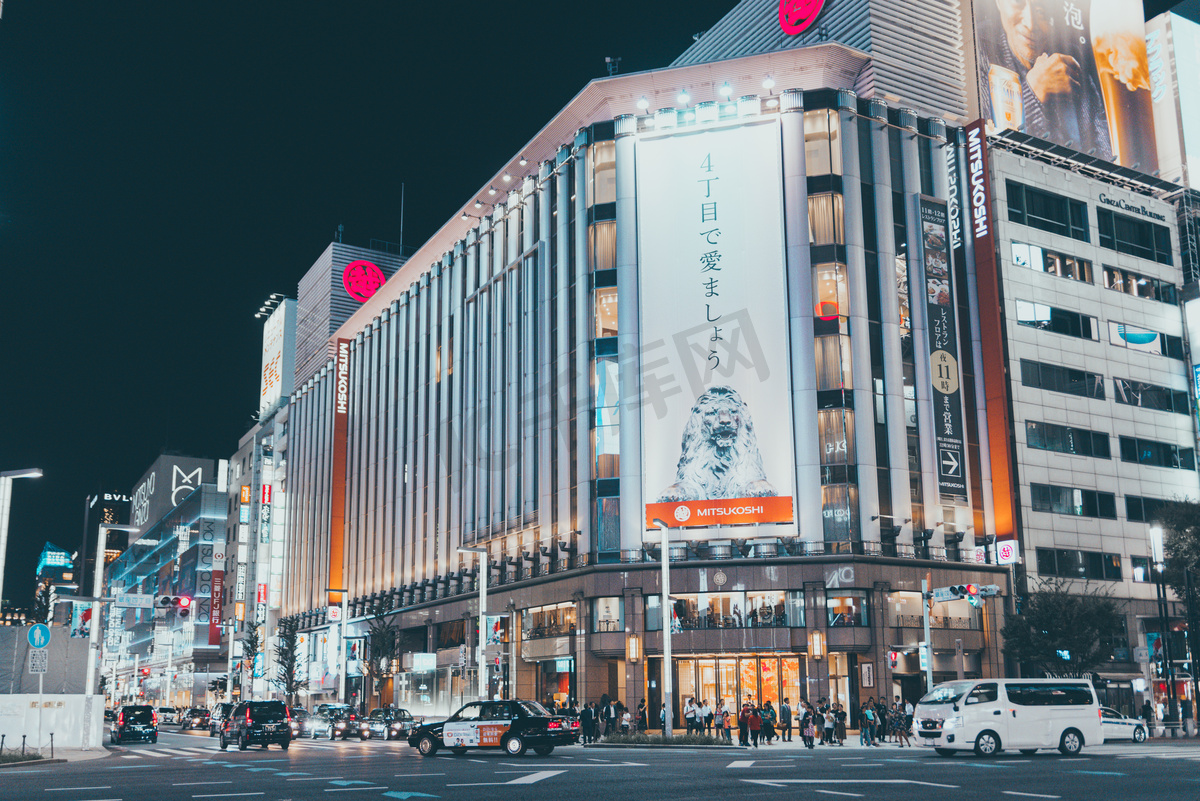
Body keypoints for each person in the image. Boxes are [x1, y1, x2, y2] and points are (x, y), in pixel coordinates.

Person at [976, 0, 1113, 160]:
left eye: (1041, 10)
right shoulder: (978, 47)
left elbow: (1105, 154)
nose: (1031, 24)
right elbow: (992, 147)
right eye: (1018, 3)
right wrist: (1033, 91)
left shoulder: (1073, 60)